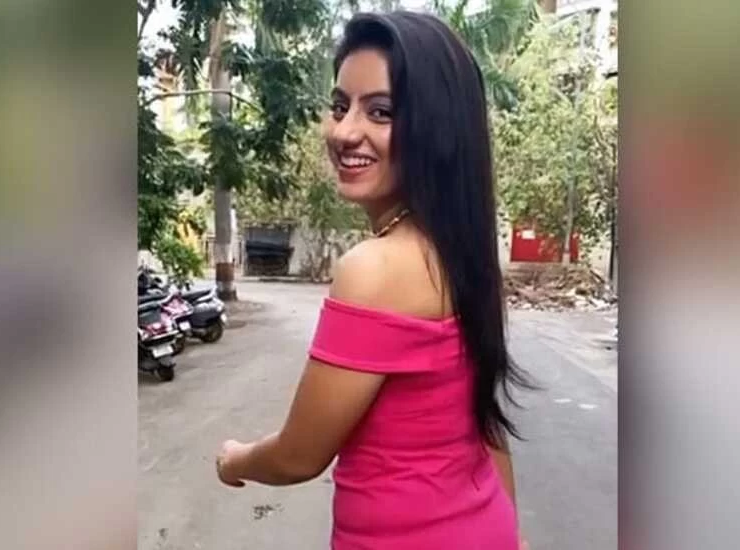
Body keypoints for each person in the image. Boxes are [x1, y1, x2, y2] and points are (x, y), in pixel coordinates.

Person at [216, 10, 534, 550]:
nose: (344, 132)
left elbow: (299, 456)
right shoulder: (465, 256)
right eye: (340, 106)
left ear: (437, 130)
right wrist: (513, 537)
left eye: (380, 112)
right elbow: (486, 423)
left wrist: (235, 459)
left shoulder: (375, 268)